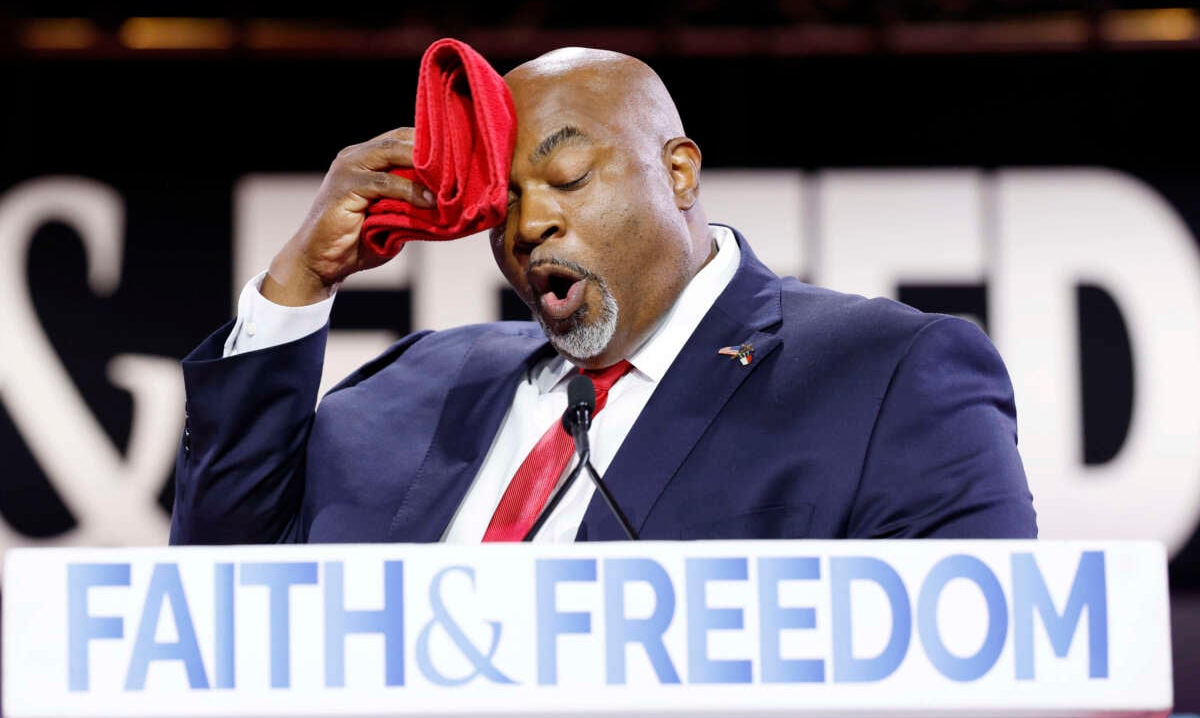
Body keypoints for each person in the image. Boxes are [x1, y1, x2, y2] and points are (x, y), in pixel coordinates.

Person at [169, 47, 1036, 545]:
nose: (530, 222)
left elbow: (981, 666)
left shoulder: (886, 375)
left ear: (678, 170)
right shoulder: (420, 386)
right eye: (502, 201)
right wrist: (299, 284)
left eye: (569, 175)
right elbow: (220, 591)